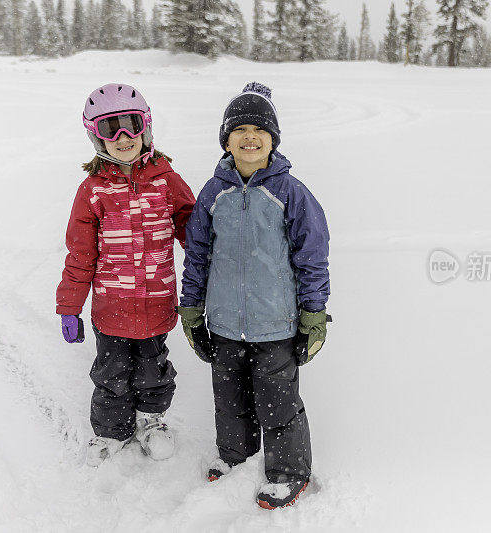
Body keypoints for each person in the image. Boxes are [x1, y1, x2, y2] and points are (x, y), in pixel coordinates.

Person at [177, 82, 330, 509]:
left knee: (279, 406)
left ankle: (289, 472)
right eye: (239, 129)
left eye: (258, 130)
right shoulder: (213, 193)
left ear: (273, 140)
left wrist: (313, 314)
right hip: (225, 323)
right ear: (226, 140)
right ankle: (235, 458)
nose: (249, 137)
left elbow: (312, 257)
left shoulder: (290, 193)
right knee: (229, 402)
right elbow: (197, 258)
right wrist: (191, 311)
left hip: (275, 325)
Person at [57, 83, 195, 465]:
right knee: (111, 374)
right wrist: (69, 306)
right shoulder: (92, 191)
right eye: (109, 128)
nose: (123, 137)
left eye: (130, 125)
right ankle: (110, 431)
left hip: (156, 305)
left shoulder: (168, 182)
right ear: (94, 135)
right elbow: (80, 255)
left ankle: (152, 421)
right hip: (111, 309)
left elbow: (196, 234)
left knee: (154, 369)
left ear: (146, 128)